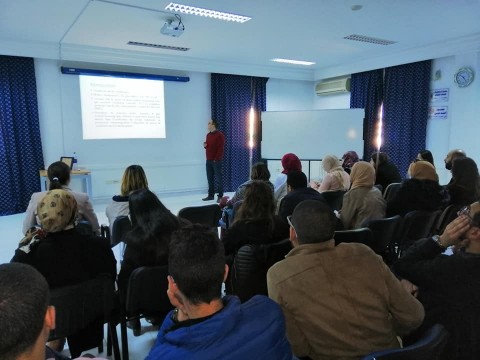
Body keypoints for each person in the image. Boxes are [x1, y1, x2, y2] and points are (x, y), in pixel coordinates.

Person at [267, 200, 424, 360]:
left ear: (293, 233)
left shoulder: (278, 275)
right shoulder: (364, 253)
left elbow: (299, 348)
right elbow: (413, 315)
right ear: (333, 231)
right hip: (391, 354)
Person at [146, 224, 293, 360]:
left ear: (173, 286)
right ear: (225, 273)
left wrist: (178, 313)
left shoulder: (165, 355)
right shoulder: (268, 311)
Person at [11, 189, 117, 357]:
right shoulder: (100, 245)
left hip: (50, 323)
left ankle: (56, 342)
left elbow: (16, 290)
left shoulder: (27, 254)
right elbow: (111, 278)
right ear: (74, 212)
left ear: (41, 214)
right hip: (92, 316)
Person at [393, 201, 480, 360]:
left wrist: (441, 240)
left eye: (465, 214)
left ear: (475, 232)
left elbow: (402, 264)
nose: (458, 216)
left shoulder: (455, 269)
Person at [118, 189, 188, 294]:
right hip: (183, 294)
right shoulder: (184, 228)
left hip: (144, 300)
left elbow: (124, 280)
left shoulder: (136, 241)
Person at [23, 161, 100, 235]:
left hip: (46, 244)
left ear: (49, 178)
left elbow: (27, 229)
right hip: (77, 243)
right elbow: (95, 227)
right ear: (69, 178)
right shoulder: (82, 197)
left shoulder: (36, 197)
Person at [221, 181, 284, 258]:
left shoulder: (239, 229)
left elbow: (220, 252)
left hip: (242, 269)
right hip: (275, 268)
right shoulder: (281, 225)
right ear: (271, 201)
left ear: (247, 202)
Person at [340, 161, 386, 229]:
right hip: (379, 235)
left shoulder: (352, 195)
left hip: (357, 236)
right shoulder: (377, 192)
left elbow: (344, 223)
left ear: (355, 174)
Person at [203, 119, 225, 202]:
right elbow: (209, 146)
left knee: (219, 179)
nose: (208, 124)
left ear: (213, 125)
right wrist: (205, 146)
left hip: (216, 161)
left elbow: (220, 148)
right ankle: (210, 195)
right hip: (208, 160)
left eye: (209, 123)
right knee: (210, 178)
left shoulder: (220, 135)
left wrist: (217, 159)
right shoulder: (208, 135)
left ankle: (220, 196)